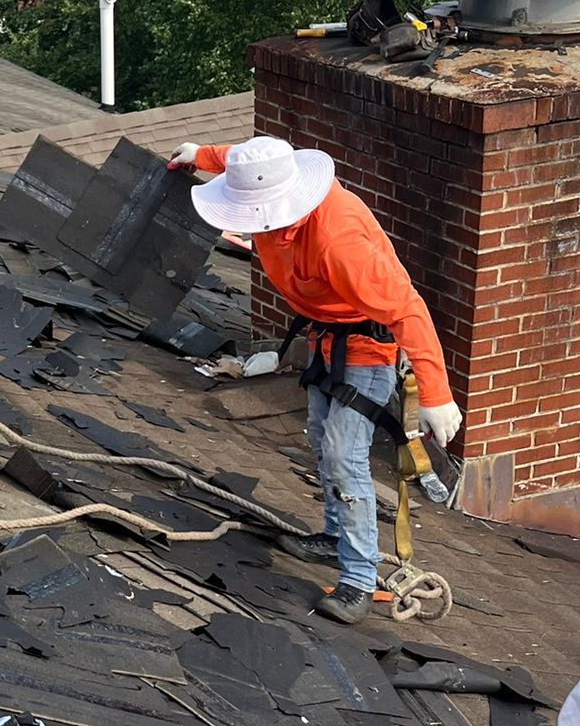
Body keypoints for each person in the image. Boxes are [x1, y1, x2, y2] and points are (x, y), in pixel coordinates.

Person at [170, 135, 462, 625]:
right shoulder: (271, 184)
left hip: (366, 350)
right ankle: (334, 535)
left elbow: (408, 309)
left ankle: (358, 578)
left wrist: (436, 395)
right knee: (319, 437)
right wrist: (201, 155)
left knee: (345, 459)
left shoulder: (338, 242)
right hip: (328, 340)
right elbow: (250, 159)